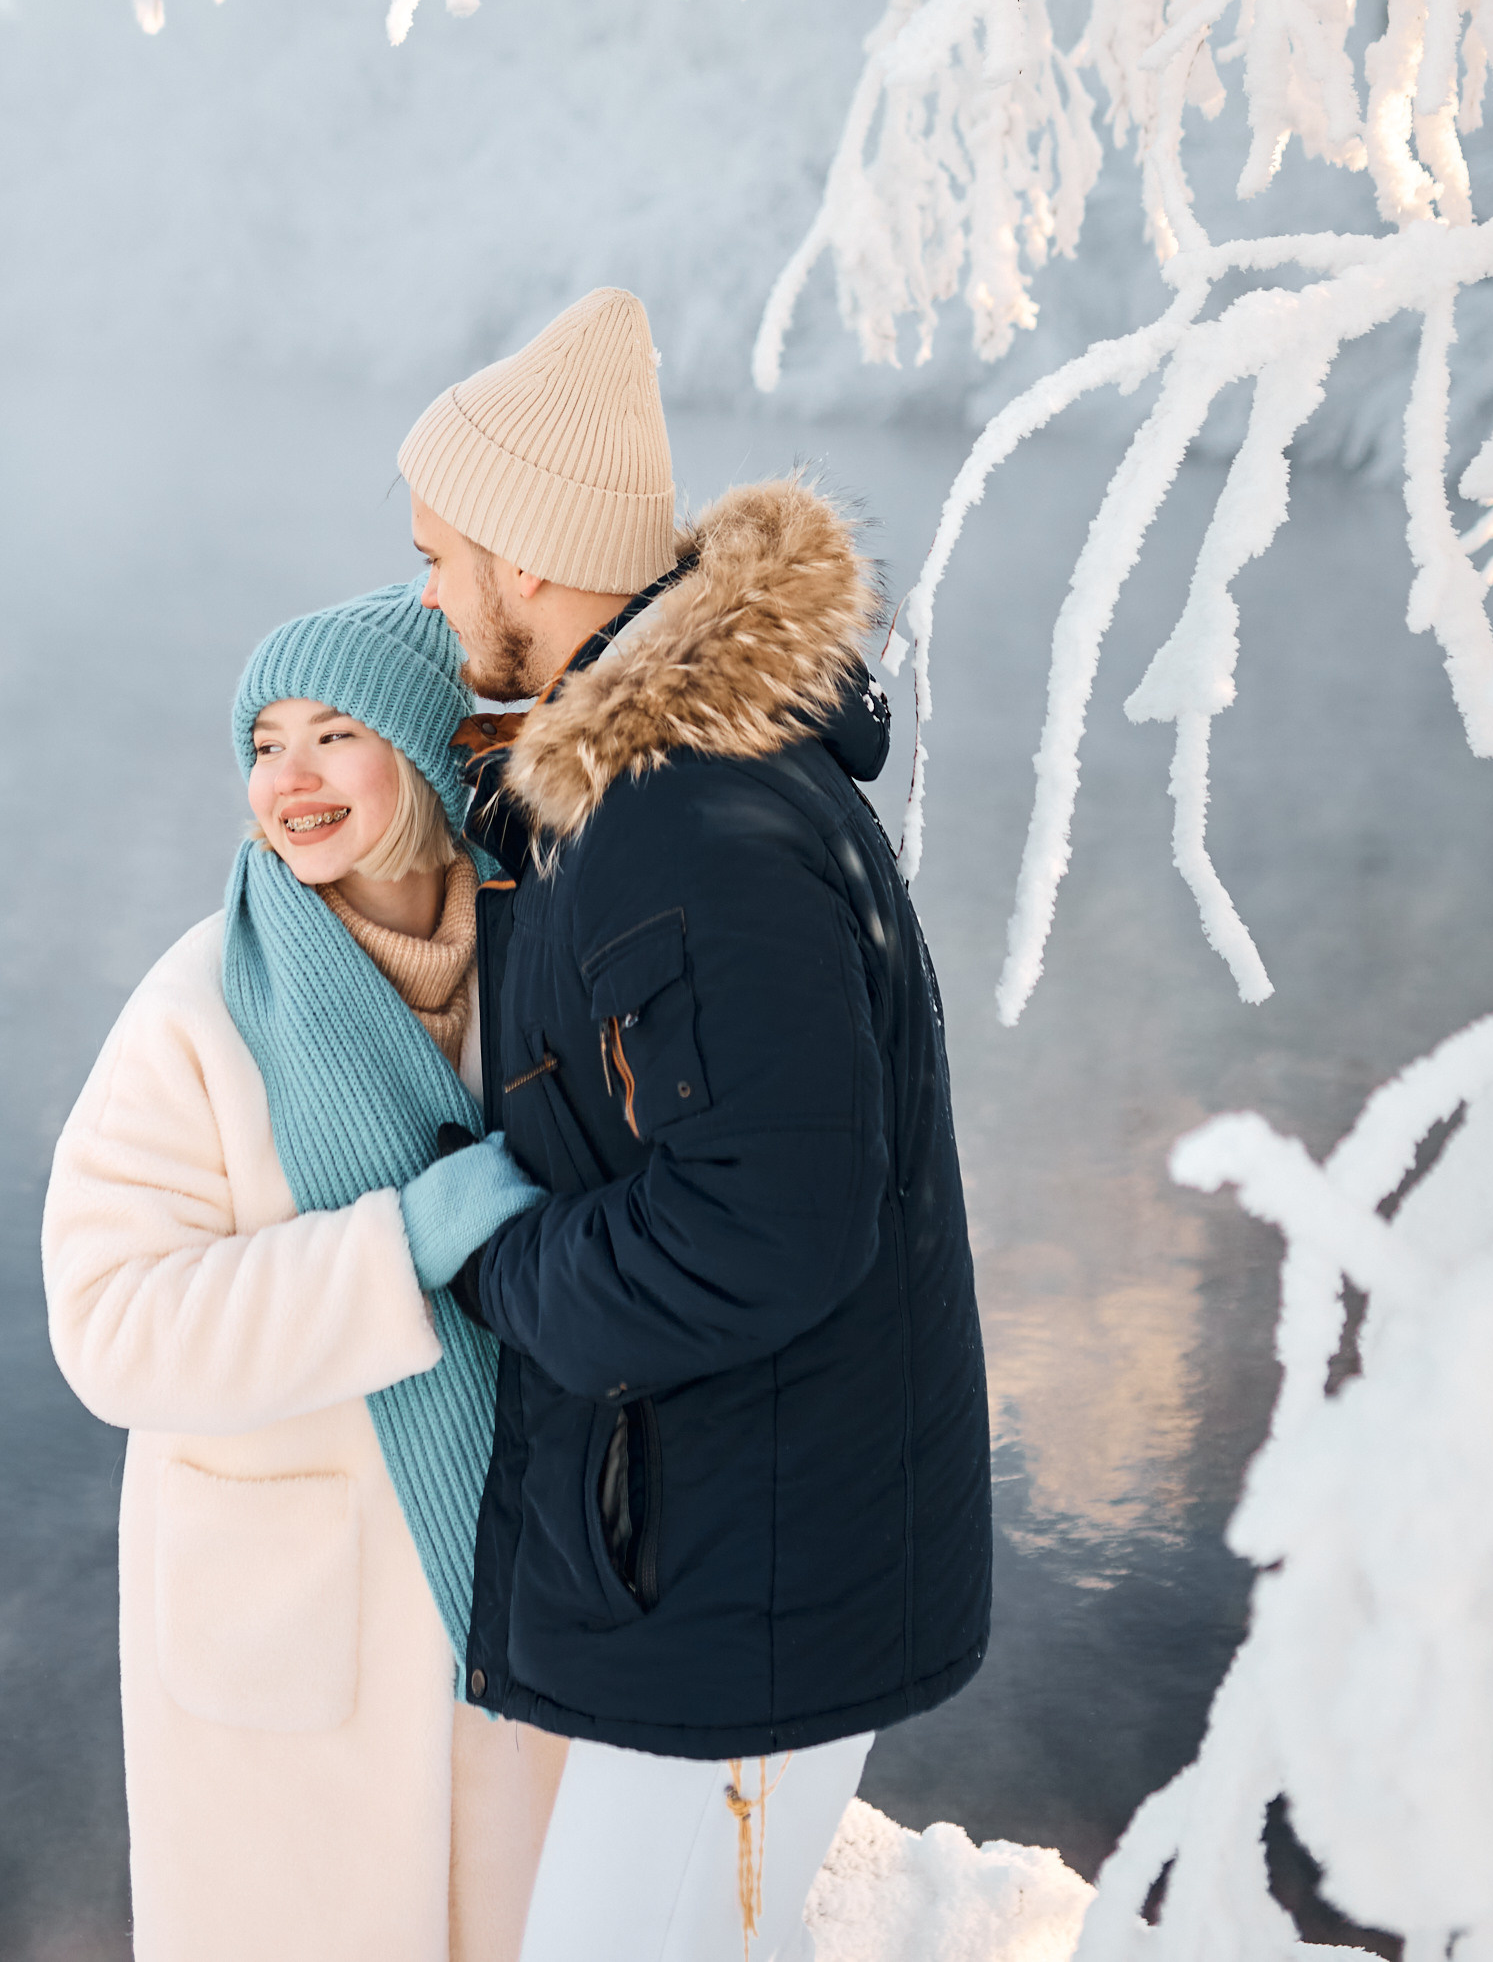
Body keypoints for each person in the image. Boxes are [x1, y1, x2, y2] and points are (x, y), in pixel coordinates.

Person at [396, 288, 993, 1962]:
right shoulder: (658, 786)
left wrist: (498, 1256)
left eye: (438, 557)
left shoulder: (689, 823)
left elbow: (760, 1225)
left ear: (526, 563)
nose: (426, 594)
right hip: (733, 1550)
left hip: (749, 1592)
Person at [42, 582, 566, 1962]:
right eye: (264, 745)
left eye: (335, 735)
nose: (290, 780)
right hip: (288, 1628)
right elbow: (107, 1328)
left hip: (515, 1582)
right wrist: (397, 1251)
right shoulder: (200, 1006)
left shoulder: (546, 966)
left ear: (429, 747)